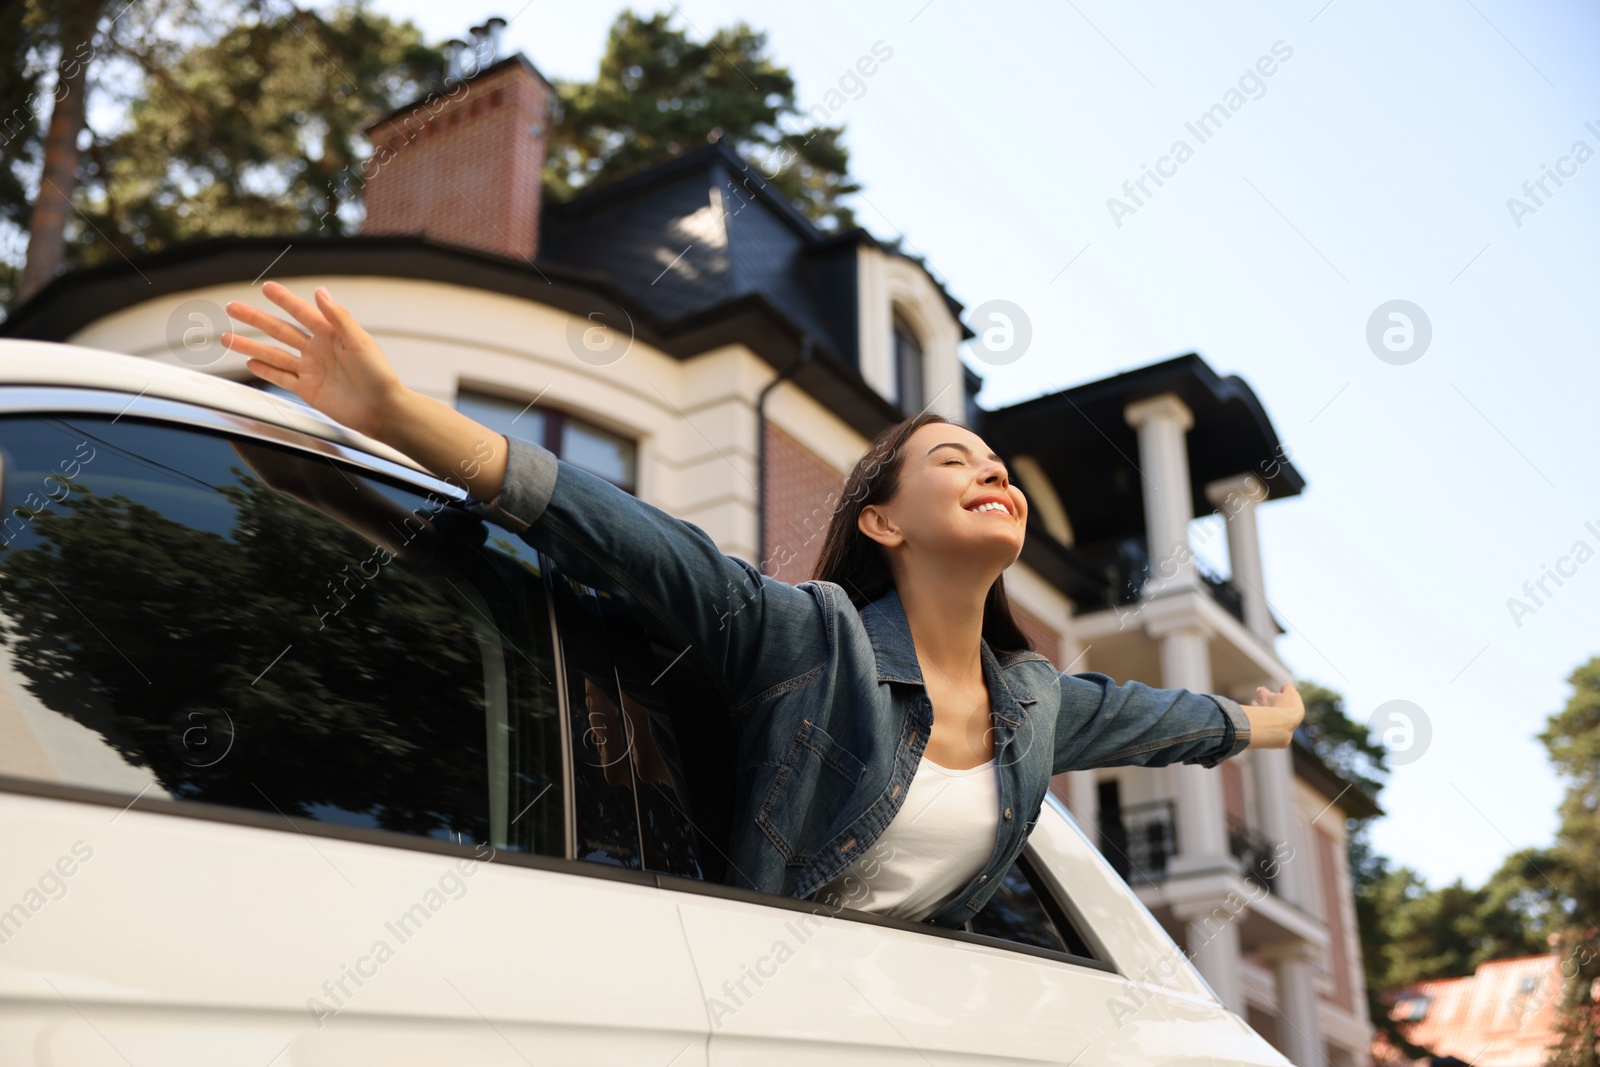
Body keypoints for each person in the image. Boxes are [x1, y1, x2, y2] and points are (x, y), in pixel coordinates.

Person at [221, 281, 1306, 929]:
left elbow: (1170, 721)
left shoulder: (1033, 699)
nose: (993, 473)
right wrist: (397, 412)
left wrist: (1270, 721)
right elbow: (616, 530)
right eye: (952, 459)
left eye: (998, 465)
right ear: (882, 521)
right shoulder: (804, 638)